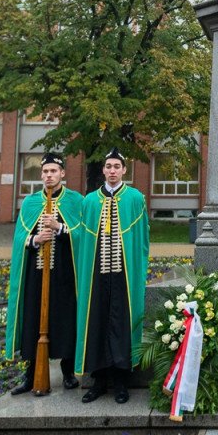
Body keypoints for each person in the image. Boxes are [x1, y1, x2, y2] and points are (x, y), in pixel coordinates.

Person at [4, 152, 83, 395]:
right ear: (41, 174)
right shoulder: (30, 203)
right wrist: (34, 239)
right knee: (33, 319)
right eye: (45, 172)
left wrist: (60, 228)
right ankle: (30, 374)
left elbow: (84, 236)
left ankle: (67, 371)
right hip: (36, 275)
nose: (49, 176)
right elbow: (19, 238)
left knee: (65, 318)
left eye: (53, 171)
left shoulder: (75, 201)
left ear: (62, 174)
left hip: (64, 273)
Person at [75, 148, 150, 404]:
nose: (112, 171)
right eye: (108, 166)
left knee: (121, 323)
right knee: (96, 321)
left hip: (123, 275)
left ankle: (121, 382)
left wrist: (138, 270)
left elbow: (141, 241)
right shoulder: (90, 201)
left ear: (124, 169)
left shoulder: (135, 199)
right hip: (97, 273)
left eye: (117, 166)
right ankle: (98, 381)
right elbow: (83, 240)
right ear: (103, 170)